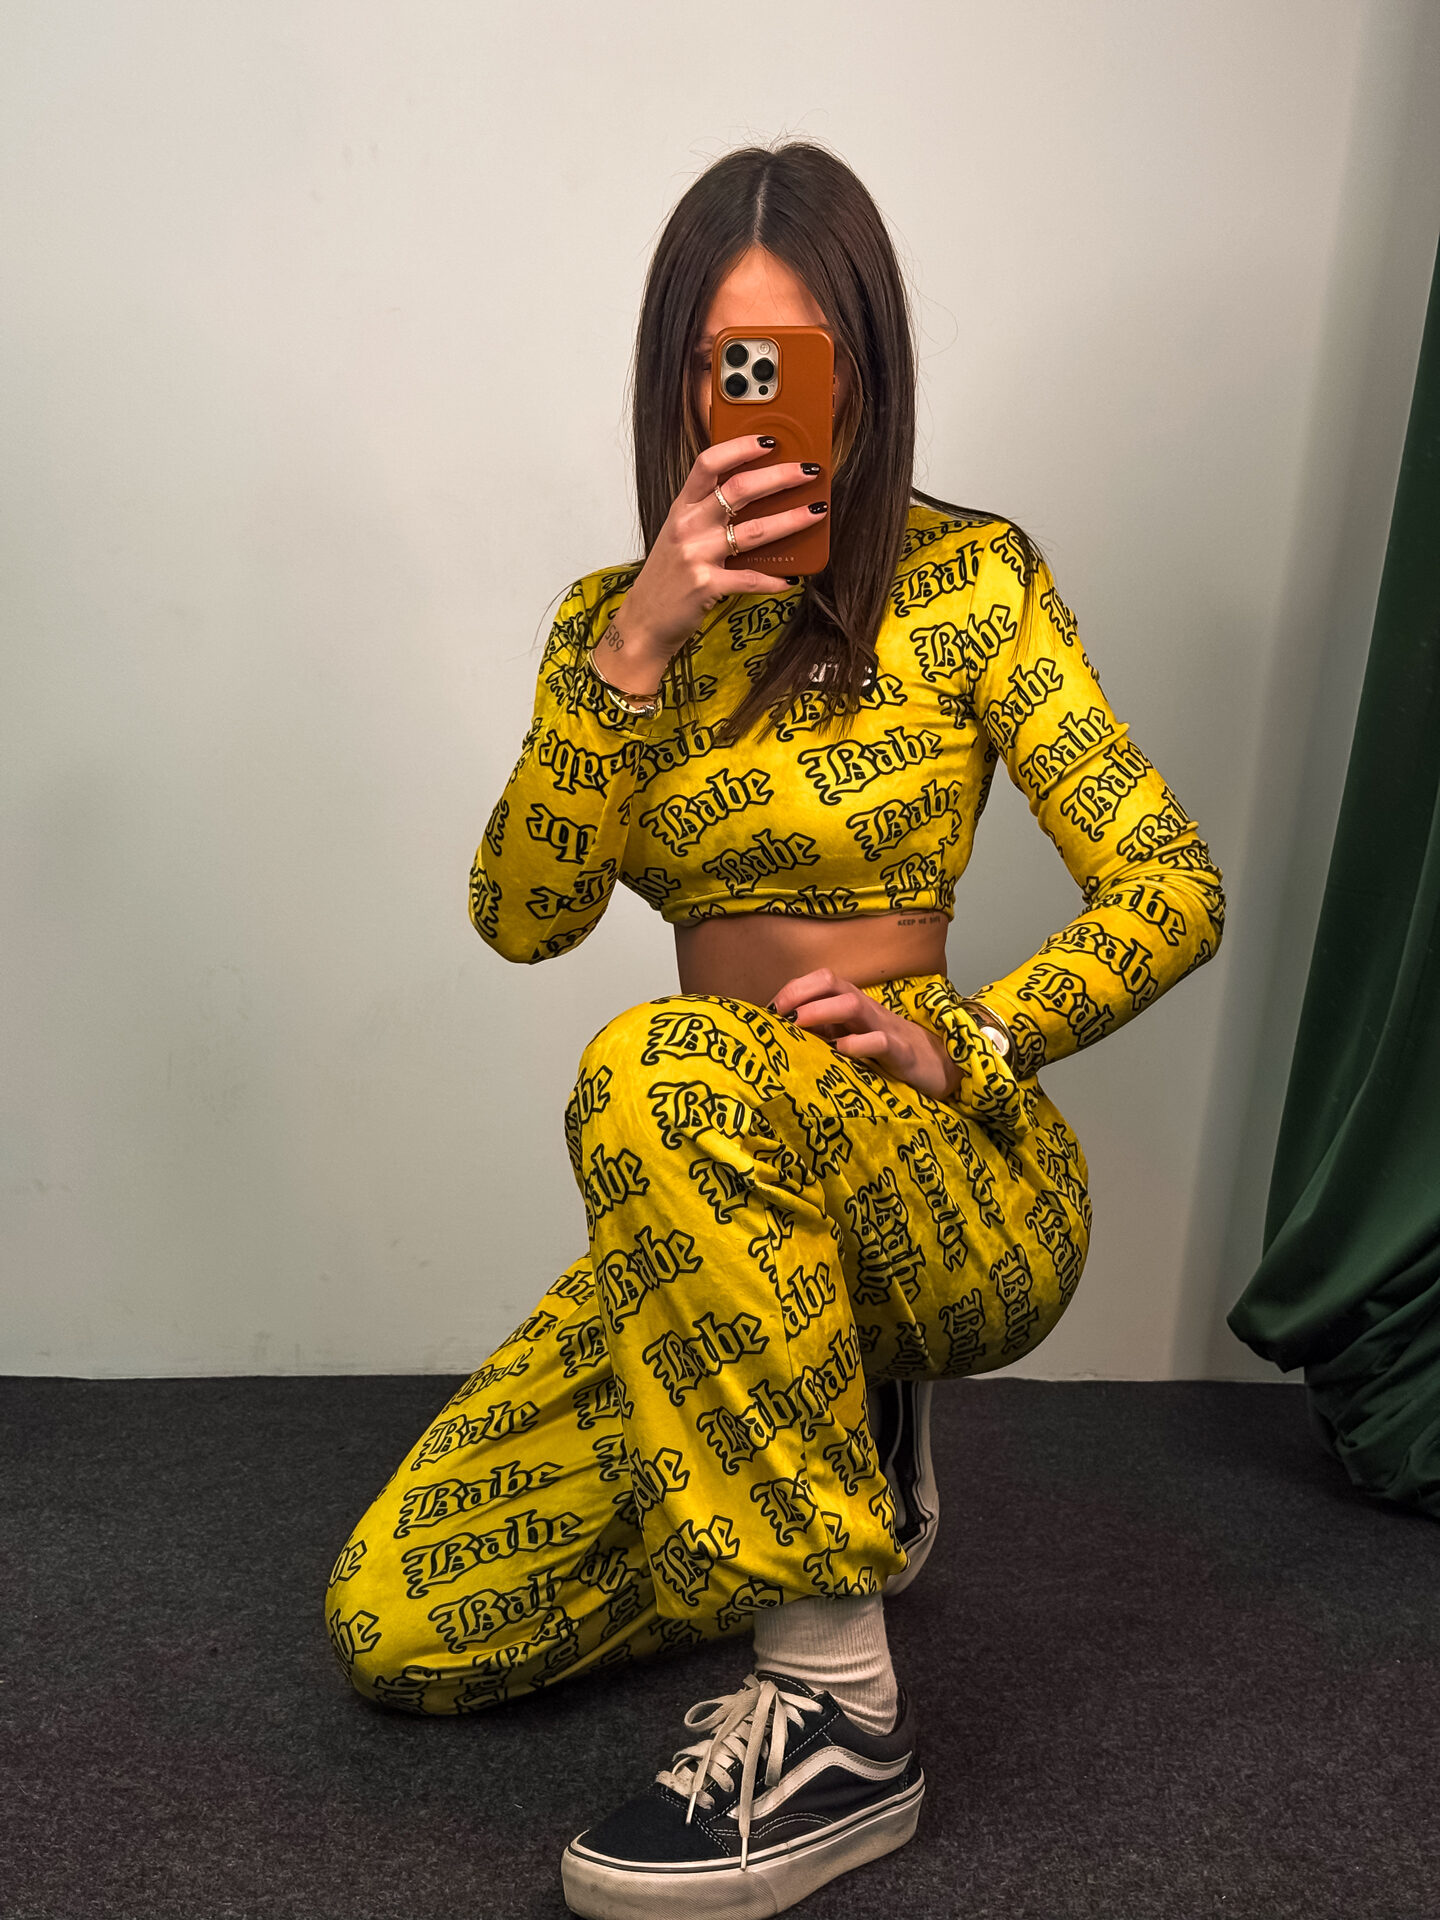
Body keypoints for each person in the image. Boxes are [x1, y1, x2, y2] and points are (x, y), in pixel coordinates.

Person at [322, 139, 1226, 1919]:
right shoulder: (611, 634)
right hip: (716, 1199)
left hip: (949, 1172)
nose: (761, 409)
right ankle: (831, 1454)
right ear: (673, 381)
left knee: (651, 1067)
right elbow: (524, 917)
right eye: (720, 366)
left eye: (797, 364)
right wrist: (633, 657)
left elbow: (1170, 883)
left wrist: (975, 1042)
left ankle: (835, 1708)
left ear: (865, 372)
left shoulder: (973, 581)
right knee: (399, 1621)